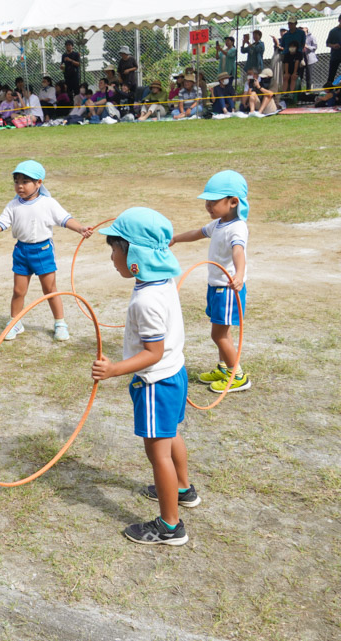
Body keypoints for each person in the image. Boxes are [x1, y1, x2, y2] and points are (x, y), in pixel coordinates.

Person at [92, 208, 195, 546]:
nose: (111, 258)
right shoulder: (161, 281)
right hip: (174, 375)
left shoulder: (146, 301)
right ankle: (183, 489)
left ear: (134, 255)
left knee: (157, 453)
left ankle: (170, 526)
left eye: (115, 249)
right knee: (169, 436)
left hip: (155, 383)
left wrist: (113, 370)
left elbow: (151, 353)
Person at [0, 161, 92, 342]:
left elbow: (65, 219)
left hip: (42, 251)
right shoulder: (13, 205)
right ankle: (15, 322)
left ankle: (60, 323)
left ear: (39, 183)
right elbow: (1, 224)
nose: (20, 186)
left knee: (50, 289)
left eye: (25, 181)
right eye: (16, 181)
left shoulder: (48, 203)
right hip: (21, 251)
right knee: (18, 291)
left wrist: (80, 228)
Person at [171, 170, 250, 393]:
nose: (208, 206)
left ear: (233, 202)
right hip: (216, 287)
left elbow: (238, 252)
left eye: (213, 201)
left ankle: (238, 376)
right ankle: (225, 368)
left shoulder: (237, 227)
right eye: (207, 201)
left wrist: (239, 275)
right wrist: (176, 239)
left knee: (218, 334)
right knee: (222, 332)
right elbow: (198, 232)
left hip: (227, 289)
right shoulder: (219, 224)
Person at [281, 18, 307, 99]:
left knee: (295, 77)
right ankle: (284, 94)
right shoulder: (285, 35)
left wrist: (295, 72)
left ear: (295, 24)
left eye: (292, 23)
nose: (290, 25)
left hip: (298, 56)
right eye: (289, 23)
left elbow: (303, 44)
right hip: (287, 56)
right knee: (286, 76)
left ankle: (293, 94)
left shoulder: (301, 33)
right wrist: (287, 72)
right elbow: (283, 45)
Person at [302, 27, 319, 92]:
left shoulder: (311, 37)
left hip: (309, 58)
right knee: (300, 75)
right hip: (302, 57)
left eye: (302, 28)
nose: (301, 29)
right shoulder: (300, 37)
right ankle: (299, 91)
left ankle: (308, 91)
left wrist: (307, 46)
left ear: (306, 29)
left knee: (308, 75)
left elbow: (315, 47)